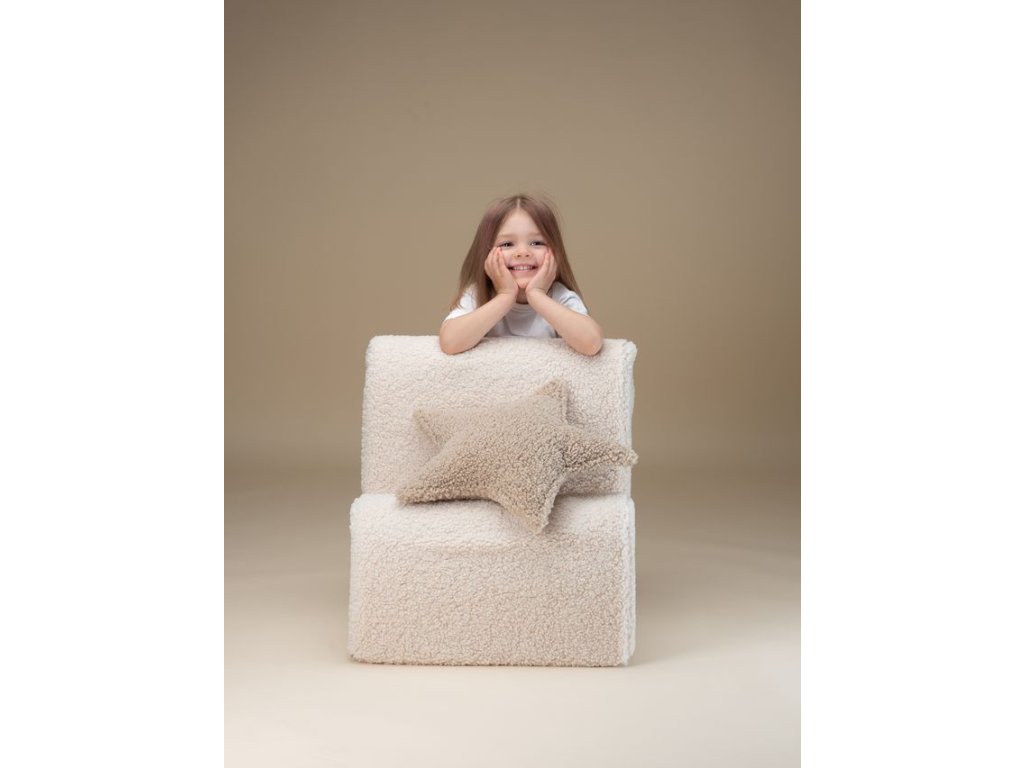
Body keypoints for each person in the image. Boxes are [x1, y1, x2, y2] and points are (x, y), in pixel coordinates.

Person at [439, 193, 604, 356]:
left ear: (555, 252)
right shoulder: (477, 295)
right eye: (507, 244)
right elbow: (450, 342)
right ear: (486, 253)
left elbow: (591, 343)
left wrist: (537, 295)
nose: (523, 252)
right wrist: (505, 295)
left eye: (536, 242)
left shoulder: (559, 296)